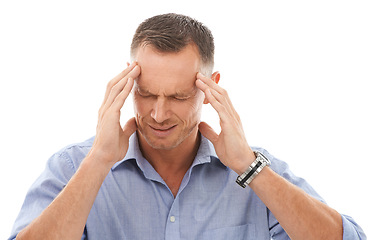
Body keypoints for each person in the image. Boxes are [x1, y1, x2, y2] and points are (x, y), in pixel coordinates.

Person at [9, 13, 366, 240]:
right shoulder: (74, 167)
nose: (159, 114)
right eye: (146, 93)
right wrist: (99, 161)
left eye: (178, 97)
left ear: (210, 87)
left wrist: (250, 169)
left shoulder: (255, 171)